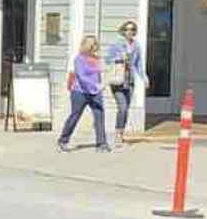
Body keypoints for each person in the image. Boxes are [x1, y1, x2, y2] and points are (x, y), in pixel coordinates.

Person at [58, 34, 110, 153]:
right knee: (75, 115)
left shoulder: (96, 59)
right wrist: (95, 85)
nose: (95, 47)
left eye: (96, 44)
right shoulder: (79, 59)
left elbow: (98, 75)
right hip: (79, 92)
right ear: (86, 46)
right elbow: (81, 76)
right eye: (93, 44)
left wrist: (101, 85)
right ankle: (63, 140)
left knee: (99, 115)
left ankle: (101, 143)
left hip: (95, 92)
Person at [106, 19, 147, 147]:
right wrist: (119, 58)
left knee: (126, 109)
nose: (130, 32)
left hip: (130, 81)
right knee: (122, 107)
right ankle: (118, 135)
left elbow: (138, 64)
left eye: (132, 29)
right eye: (127, 29)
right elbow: (108, 59)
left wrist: (144, 77)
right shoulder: (117, 44)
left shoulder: (136, 45)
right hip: (118, 80)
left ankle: (121, 133)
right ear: (123, 31)